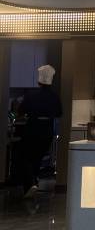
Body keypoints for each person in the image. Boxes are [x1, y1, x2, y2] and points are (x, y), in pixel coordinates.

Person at [17, 65, 62, 198]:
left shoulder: (31, 95)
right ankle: (34, 182)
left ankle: (30, 184)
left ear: (39, 81)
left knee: (24, 157)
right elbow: (59, 113)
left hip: (32, 128)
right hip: (47, 131)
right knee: (38, 157)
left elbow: (21, 110)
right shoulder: (55, 97)